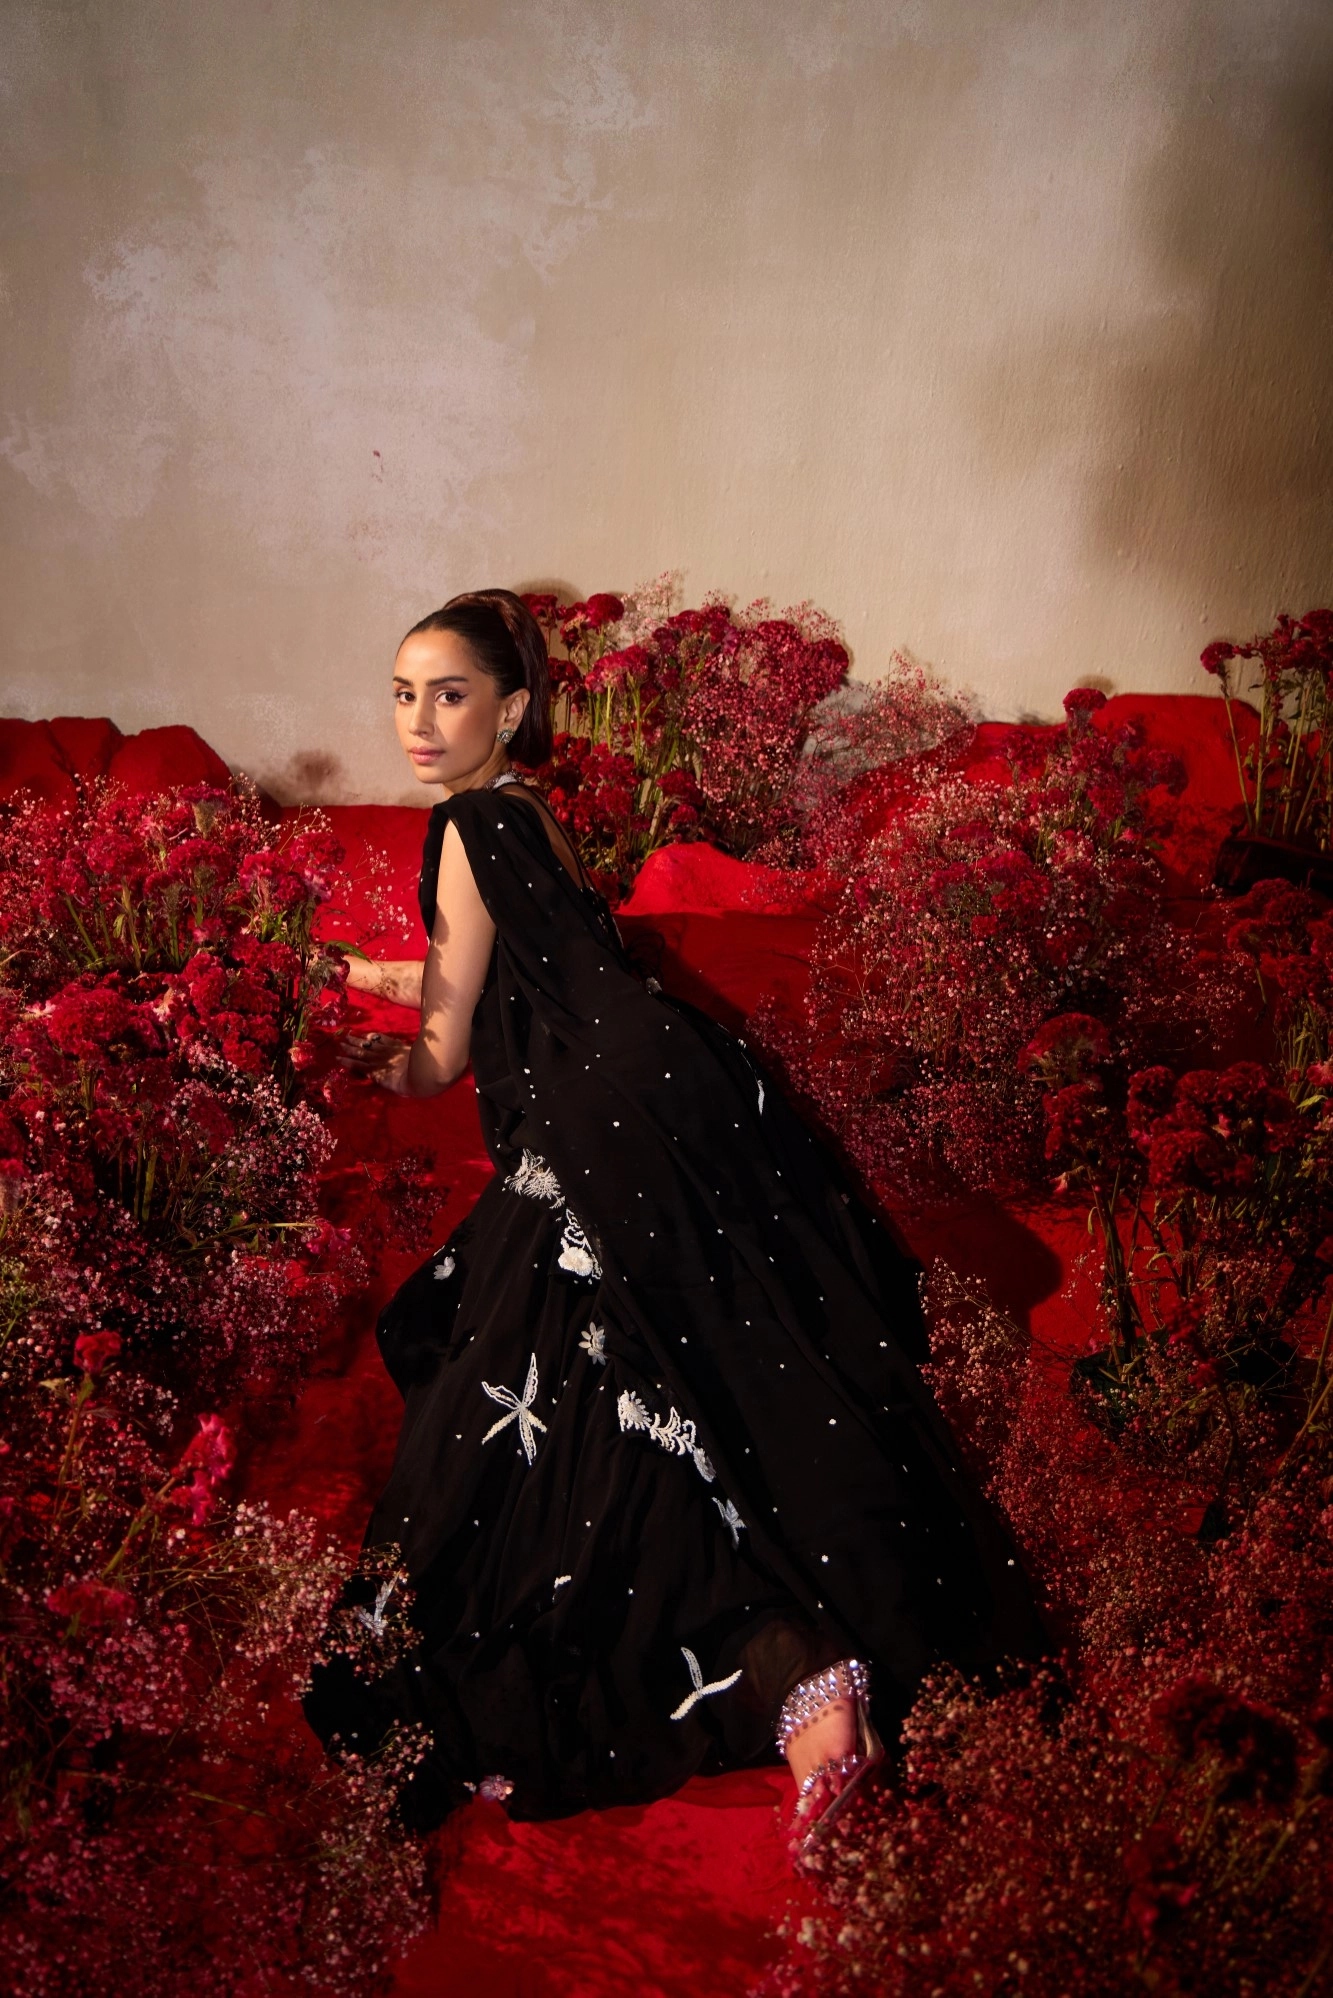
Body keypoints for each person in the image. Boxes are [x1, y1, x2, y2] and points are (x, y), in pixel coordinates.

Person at [301, 588, 1042, 1862]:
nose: (418, 722)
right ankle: (807, 1690)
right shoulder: (529, 811)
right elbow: (507, 971)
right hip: (678, 1087)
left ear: (511, 710)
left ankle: (781, 1670)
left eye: (450, 695)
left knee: (534, 1397)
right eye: (403, 694)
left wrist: (351, 1065)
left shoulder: (464, 824)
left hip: (596, 1122)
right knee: (680, 1383)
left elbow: (443, 1049)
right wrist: (343, 974)